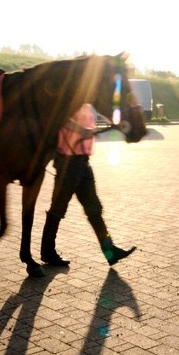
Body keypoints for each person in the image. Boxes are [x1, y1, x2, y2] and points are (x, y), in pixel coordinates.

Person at [40, 103, 136, 267]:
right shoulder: (70, 102)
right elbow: (61, 120)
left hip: (83, 163)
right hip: (67, 164)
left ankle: (110, 252)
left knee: (94, 209)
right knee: (57, 209)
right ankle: (47, 252)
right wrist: (81, 130)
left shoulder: (87, 105)